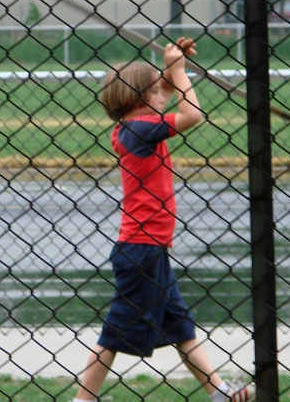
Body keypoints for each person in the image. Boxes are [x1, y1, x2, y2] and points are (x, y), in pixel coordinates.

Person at [72, 37, 255, 402]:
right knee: (114, 334)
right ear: (139, 100)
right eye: (156, 91)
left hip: (148, 249)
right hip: (141, 250)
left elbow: (169, 87)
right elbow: (192, 115)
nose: (164, 93)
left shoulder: (135, 127)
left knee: (181, 326)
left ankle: (219, 393)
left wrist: (173, 67)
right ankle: (83, 400)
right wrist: (180, 70)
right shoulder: (140, 129)